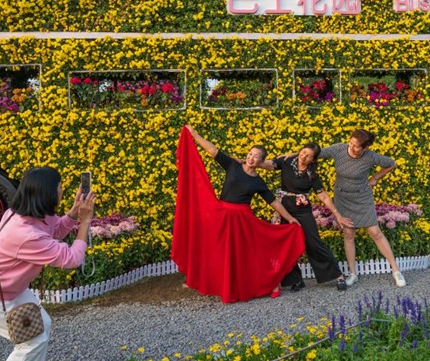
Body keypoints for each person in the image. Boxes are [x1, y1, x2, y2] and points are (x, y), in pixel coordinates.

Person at [0, 166, 96, 361]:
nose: (63, 190)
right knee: (31, 343)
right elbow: (71, 259)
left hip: (10, 289)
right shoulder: (24, 233)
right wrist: (84, 222)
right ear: (48, 192)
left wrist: (73, 215)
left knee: (43, 326)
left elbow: (54, 232)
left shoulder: (29, 214)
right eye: (60, 186)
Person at [172, 125, 305, 302]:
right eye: (250, 154)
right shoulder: (233, 165)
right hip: (222, 214)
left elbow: (273, 202)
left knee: (249, 253)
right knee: (214, 248)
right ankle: (200, 279)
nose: (251, 158)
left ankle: (272, 283)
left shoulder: (258, 181)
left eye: (256, 157)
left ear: (261, 162)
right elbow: (213, 150)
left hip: (242, 220)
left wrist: (289, 218)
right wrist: (195, 135)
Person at [259, 143, 353, 292]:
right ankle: (295, 280)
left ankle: (338, 276)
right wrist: (251, 160)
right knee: (284, 244)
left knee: (314, 242)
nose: (304, 156)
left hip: (303, 210)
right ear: (299, 150)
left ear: (313, 160)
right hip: (284, 209)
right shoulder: (287, 161)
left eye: (308, 155)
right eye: (303, 152)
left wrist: (338, 215)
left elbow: (323, 196)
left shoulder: (312, 174)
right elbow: (269, 165)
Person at [320, 129, 407, 287]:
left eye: (356, 146)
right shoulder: (339, 149)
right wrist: (290, 157)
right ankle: (353, 274)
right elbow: (315, 152)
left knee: (375, 232)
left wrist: (375, 178)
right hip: (343, 197)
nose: (351, 147)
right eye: (351, 143)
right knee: (348, 233)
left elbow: (391, 164)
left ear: (365, 148)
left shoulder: (370, 156)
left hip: (362, 197)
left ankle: (396, 271)